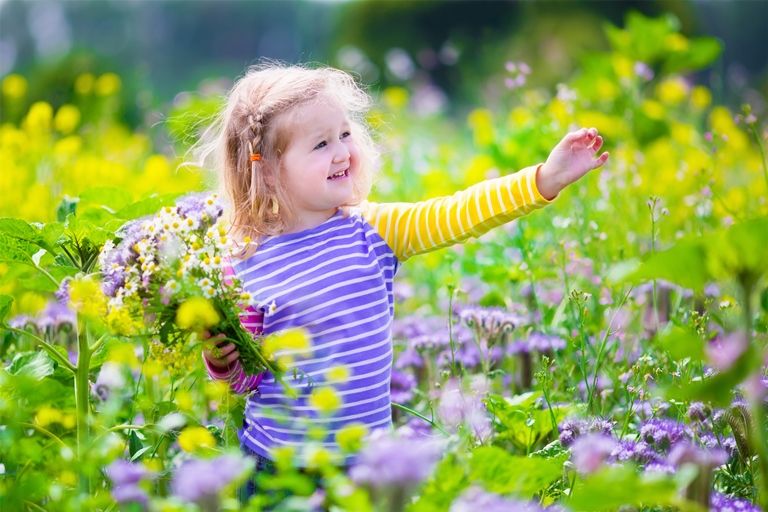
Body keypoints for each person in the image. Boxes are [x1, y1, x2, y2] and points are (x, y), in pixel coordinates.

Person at [197, 63, 608, 480]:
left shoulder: (373, 230)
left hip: (369, 465)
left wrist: (544, 179)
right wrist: (222, 360)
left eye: (344, 134)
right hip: (280, 468)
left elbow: (459, 213)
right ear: (266, 168)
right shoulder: (245, 262)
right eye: (321, 144)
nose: (342, 151)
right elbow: (244, 381)